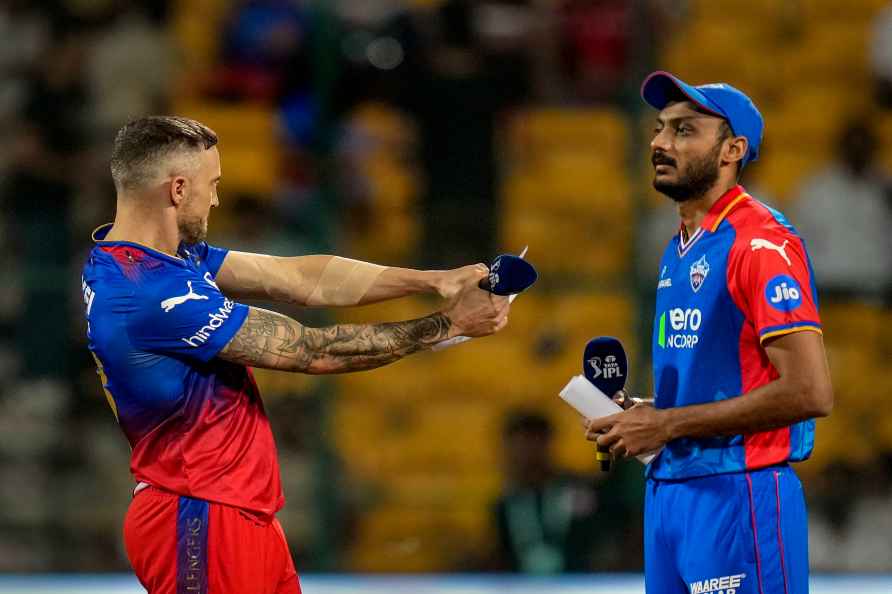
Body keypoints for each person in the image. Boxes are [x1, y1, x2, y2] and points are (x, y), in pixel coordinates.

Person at [80, 116, 510, 594]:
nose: (217, 199)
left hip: (237, 511)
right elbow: (312, 351)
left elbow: (297, 278)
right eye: (213, 185)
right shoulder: (148, 293)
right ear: (178, 189)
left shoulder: (161, 260)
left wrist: (432, 280)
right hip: (198, 511)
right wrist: (449, 325)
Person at [584, 72, 833, 594]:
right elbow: (727, 377)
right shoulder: (679, 248)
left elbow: (810, 391)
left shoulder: (762, 245)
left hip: (740, 495)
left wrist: (667, 424)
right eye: (659, 128)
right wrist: (648, 414)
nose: (659, 142)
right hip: (672, 495)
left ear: (732, 150)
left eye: (684, 130)